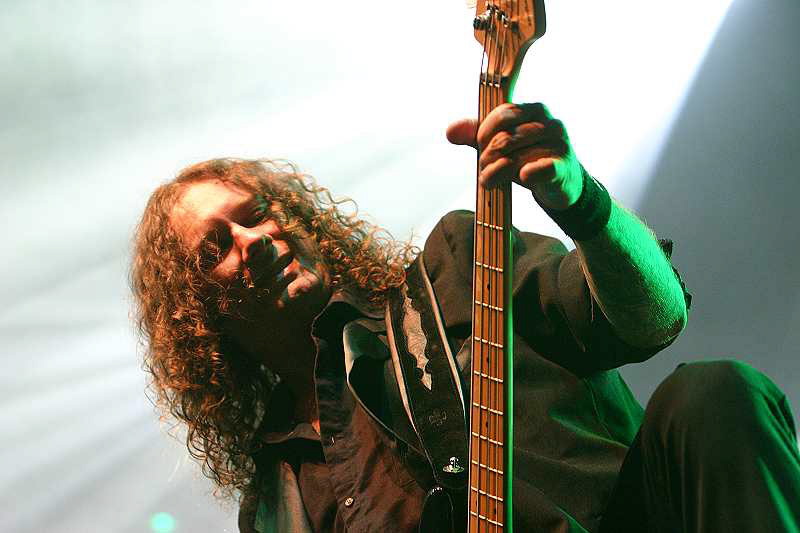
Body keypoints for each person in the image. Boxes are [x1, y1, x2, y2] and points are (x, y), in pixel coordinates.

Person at [131, 103, 800, 532]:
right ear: (198, 315)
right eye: (216, 249)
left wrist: (582, 204)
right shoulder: (277, 502)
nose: (253, 240)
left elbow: (652, 318)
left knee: (712, 394)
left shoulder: (454, 269)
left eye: (256, 214)